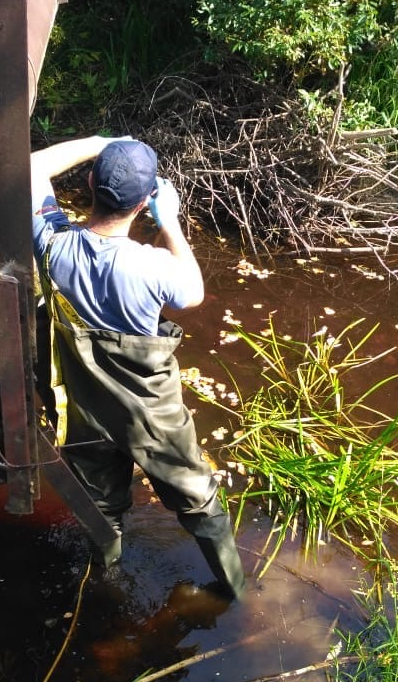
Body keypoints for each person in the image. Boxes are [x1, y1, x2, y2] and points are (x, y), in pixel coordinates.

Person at [30, 134, 246, 600]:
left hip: (82, 407)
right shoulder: (153, 267)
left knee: (100, 505)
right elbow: (192, 292)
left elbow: (32, 166)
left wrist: (101, 141)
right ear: (144, 202)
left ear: (89, 182)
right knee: (197, 495)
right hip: (151, 412)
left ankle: (104, 586)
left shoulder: (51, 243)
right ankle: (236, 592)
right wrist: (170, 223)